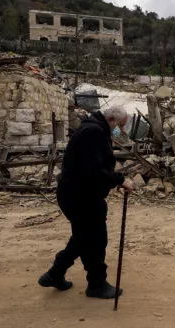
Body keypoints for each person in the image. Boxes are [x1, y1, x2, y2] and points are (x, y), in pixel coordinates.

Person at [38, 106, 134, 299]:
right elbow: (92, 171)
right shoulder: (94, 132)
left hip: (80, 194)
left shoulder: (96, 129)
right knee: (95, 240)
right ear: (111, 119)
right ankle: (97, 285)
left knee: (83, 237)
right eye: (121, 125)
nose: (122, 130)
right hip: (81, 196)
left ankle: (55, 274)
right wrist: (119, 180)